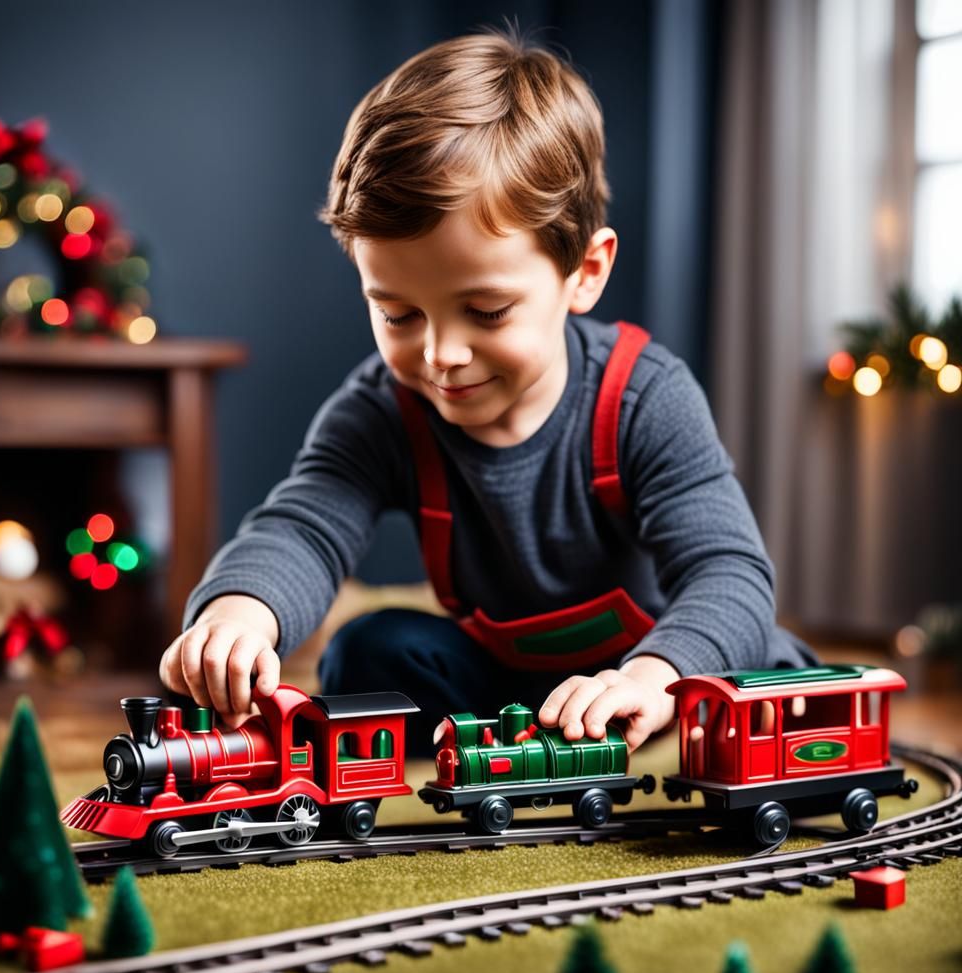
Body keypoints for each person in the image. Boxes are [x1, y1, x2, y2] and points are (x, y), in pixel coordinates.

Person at [160, 27, 816, 755]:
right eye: (398, 314)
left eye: (487, 311)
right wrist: (242, 612)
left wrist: (655, 676)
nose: (441, 353)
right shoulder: (383, 410)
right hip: (511, 692)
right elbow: (303, 527)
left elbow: (728, 570)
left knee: (765, 673)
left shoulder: (643, 397)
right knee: (367, 651)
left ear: (585, 273)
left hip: (659, 678)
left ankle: (662, 713)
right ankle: (515, 754)